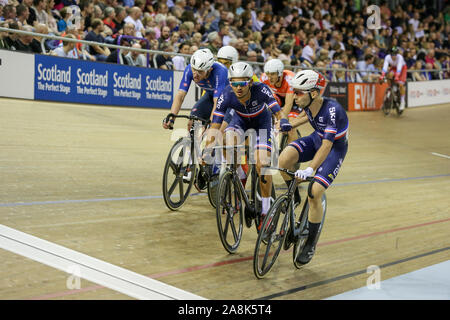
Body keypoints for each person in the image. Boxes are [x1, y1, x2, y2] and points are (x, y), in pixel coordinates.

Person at [204, 62, 292, 228]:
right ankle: (240, 175)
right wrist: (206, 149)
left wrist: (284, 121)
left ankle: (266, 210)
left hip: (262, 124)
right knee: (224, 140)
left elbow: (278, 112)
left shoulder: (262, 90)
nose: (238, 88)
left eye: (242, 83)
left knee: (262, 165)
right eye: (234, 84)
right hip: (240, 122)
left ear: (250, 82)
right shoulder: (226, 94)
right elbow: (215, 125)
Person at [278, 69, 349, 266]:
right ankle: (295, 194)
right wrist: (289, 125)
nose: (294, 95)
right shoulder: (309, 103)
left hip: (334, 149)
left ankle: (310, 243)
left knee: (315, 192)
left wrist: (310, 169)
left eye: (299, 92)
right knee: (283, 161)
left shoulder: (333, 111)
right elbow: (306, 117)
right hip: (317, 139)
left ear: (314, 93)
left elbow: (327, 146)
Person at [161, 48, 229, 190]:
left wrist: (212, 125)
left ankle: (214, 165)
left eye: (200, 72)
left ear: (209, 69)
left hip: (226, 100)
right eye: (194, 70)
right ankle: (191, 165)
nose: (195, 74)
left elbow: (218, 104)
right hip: (209, 96)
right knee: (193, 121)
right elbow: (180, 95)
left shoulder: (220, 72)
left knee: (214, 131)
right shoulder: (189, 70)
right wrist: (172, 117)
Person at [260, 58, 305, 145]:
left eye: (272, 74)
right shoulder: (264, 78)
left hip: (296, 101)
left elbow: (288, 104)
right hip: (280, 97)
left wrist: (281, 120)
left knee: (290, 126)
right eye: (268, 74)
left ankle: (293, 153)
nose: (269, 77)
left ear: (280, 73)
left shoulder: (290, 79)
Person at [379, 46, 407, 111]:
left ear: (397, 54)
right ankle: (391, 88)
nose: (393, 56)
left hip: (402, 68)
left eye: (395, 54)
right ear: (390, 54)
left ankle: (402, 101)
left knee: (400, 84)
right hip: (394, 68)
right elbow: (385, 67)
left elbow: (399, 67)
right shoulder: (387, 57)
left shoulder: (400, 57)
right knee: (390, 75)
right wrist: (382, 75)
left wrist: (397, 76)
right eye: (392, 54)